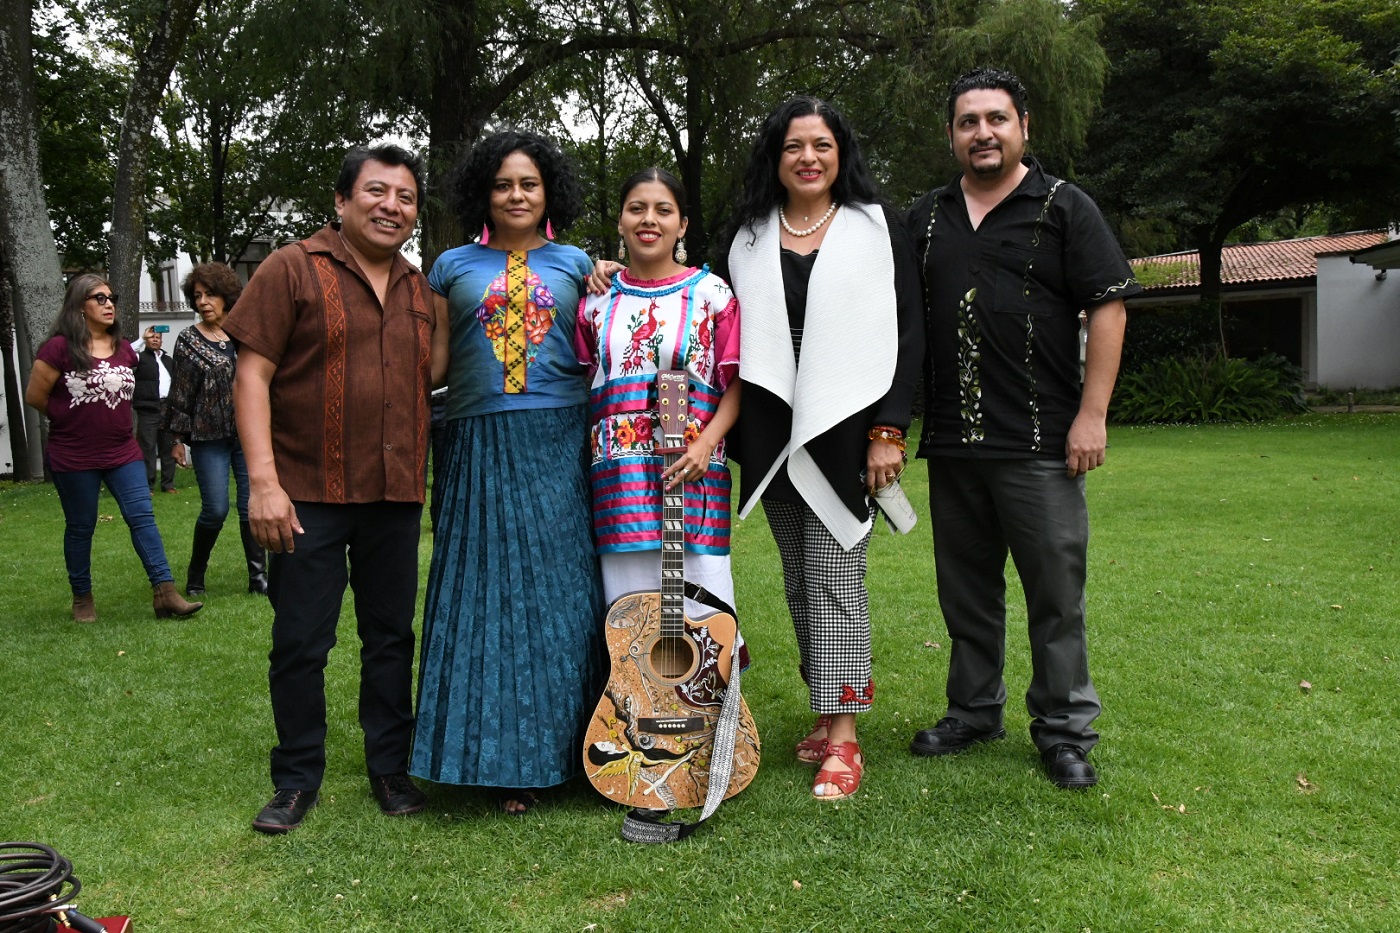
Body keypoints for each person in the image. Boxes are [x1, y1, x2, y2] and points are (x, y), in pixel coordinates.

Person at [905, 68, 1137, 789]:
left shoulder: (1065, 207)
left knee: (1054, 597)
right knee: (966, 592)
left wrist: (1092, 414)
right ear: (952, 134)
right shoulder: (926, 217)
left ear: (1023, 127)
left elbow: (1108, 307)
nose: (983, 133)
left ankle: (1065, 730)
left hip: (1041, 444)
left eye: (996, 119)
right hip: (952, 442)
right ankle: (973, 710)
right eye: (969, 121)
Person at [228, 144, 435, 834]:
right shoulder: (292, 268)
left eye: (405, 197)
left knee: (389, 638)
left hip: (394, 492)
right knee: (300, 640)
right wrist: (263, 482)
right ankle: (294, 778)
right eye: (377, 191)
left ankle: (389, 766)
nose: (392, 206)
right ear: (342, 201)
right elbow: (251, 375)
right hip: (306, 489)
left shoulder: (418, 289)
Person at [725, 97, 924, 801]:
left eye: (821, 145)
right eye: (792, 146)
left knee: (837, 577)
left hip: (848, 430)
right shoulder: (748, 236)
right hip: (773, 431)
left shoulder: (878, 228)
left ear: (842, 154)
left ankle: (844, 738)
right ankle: (828, 706)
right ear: (774, 159)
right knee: (799, 581)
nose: (807, 157)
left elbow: (907, 331)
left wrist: (889, 430)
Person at [410, 130, 604, 816]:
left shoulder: (580, 264)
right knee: (484, 594)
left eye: (528, 183)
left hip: (559, 441)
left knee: (561, 595)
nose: (516, 195)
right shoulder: (448, 266)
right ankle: (491, 760)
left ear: (548, 190)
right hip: (475, 440)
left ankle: (578, 750)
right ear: (481, 195)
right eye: (502, 184)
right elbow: (429, 366)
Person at [576, 167, 742, 611]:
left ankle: (708, 686)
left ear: (682, 225)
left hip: (694, 478)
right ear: (621, 221)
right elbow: (580, 381)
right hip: (619, 489)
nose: (649, 219)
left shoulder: (713, 295)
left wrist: (707, 442)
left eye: (663, 210)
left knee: (702, 618)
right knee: (630, 623)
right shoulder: (595, 299)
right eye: (637, 209)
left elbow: (738, 381)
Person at [24, 275, 204, 622]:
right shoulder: (58, 349)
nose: (109, 304)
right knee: (81, 526)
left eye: (111, 297)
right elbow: (35, 397)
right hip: (74, 454)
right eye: (99, 298)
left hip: (123, 452)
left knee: (142, 518)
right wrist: (70, 418)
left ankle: (165, 592)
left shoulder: (123, 348)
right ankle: (82, 598)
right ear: (79, 306)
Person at [164, 263, 266, 596]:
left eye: (211, 294)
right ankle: (196, 576)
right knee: (215, 509)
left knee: (251, 507)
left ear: (226, 297)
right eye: (198, 296)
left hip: (248, 435)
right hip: (209, 438)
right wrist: (177, 438)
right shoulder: (188, 340)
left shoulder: (246, 334)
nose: (204, 301)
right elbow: (180, 392)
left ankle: (258, 577)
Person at [132, 326, 177, 493]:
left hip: (167, 408)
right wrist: (142, 339)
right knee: (148, 447)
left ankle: (168, 484)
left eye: (158, 337)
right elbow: (125, 352)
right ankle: (148, 485)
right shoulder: (139, 358)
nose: (155, 339)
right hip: (148, 408)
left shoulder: (168, 360)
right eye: (152, 337)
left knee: (167, 446)